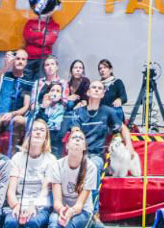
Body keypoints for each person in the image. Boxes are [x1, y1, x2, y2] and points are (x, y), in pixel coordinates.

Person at [68, 79, 135, 216]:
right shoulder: (79, 112)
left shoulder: (107, 112)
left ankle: (93, 213)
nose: (97, 89)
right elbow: (75, 131)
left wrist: (129, 145)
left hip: (97, 156)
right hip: (78, 154)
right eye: (94, 87)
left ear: (103, 94)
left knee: (92, 167)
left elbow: (123, 128)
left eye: (100, 88)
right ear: (88, 92)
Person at [5, 119, 57, 228]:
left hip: (39, 206)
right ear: (29, 134)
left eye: (42, 130)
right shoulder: (17, 158)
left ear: (46, 137)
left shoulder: (51, 159)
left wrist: (34, 206)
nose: (38, 132)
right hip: (18, 203)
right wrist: (16, 205)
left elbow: (45, 191)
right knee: (11, 222)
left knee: (33, 222)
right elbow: (11, 191)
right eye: (35, 129)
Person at [47, 128, 96, 228]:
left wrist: (71, 212)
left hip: (82, 211)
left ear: (84, 147)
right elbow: (57, 202)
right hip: (62, 209)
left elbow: (79, 205)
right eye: (74, 137)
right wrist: (62, 210)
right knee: (54, 225)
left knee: (69, 225)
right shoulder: (57, 165)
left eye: (81, 138)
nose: (77, 139)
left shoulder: (91, 168)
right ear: (67, 146)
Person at [0, 50, 35, 136]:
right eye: (17, 59)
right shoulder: (5, 75)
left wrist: (12, 114)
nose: (20, 61)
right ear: (13, 60)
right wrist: (6, 65)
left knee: (19, 121)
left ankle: (13, 148)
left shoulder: (28, 81)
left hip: (16, 114)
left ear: (26, 62)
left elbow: (26, 106)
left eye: (23, 59)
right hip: (0, 112)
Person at [23, 18, 61, 83]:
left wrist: (33, 38)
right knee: (24, 83)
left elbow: (49, 41)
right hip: (29, 58)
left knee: (39, 84)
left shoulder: (54, 25)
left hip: (43, 59)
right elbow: (26, 36)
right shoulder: (31, 22)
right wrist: (42, 34)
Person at [37, 83, 67, 158]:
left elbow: (56, 126)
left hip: (55, 140)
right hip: (41, 138)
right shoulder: (40, 107)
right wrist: (43, 107)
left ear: (61, 95)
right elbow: (37, 123)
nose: (54, 93)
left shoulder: (62, 109)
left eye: (58, 91)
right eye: (52, 90)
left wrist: (47, 123)